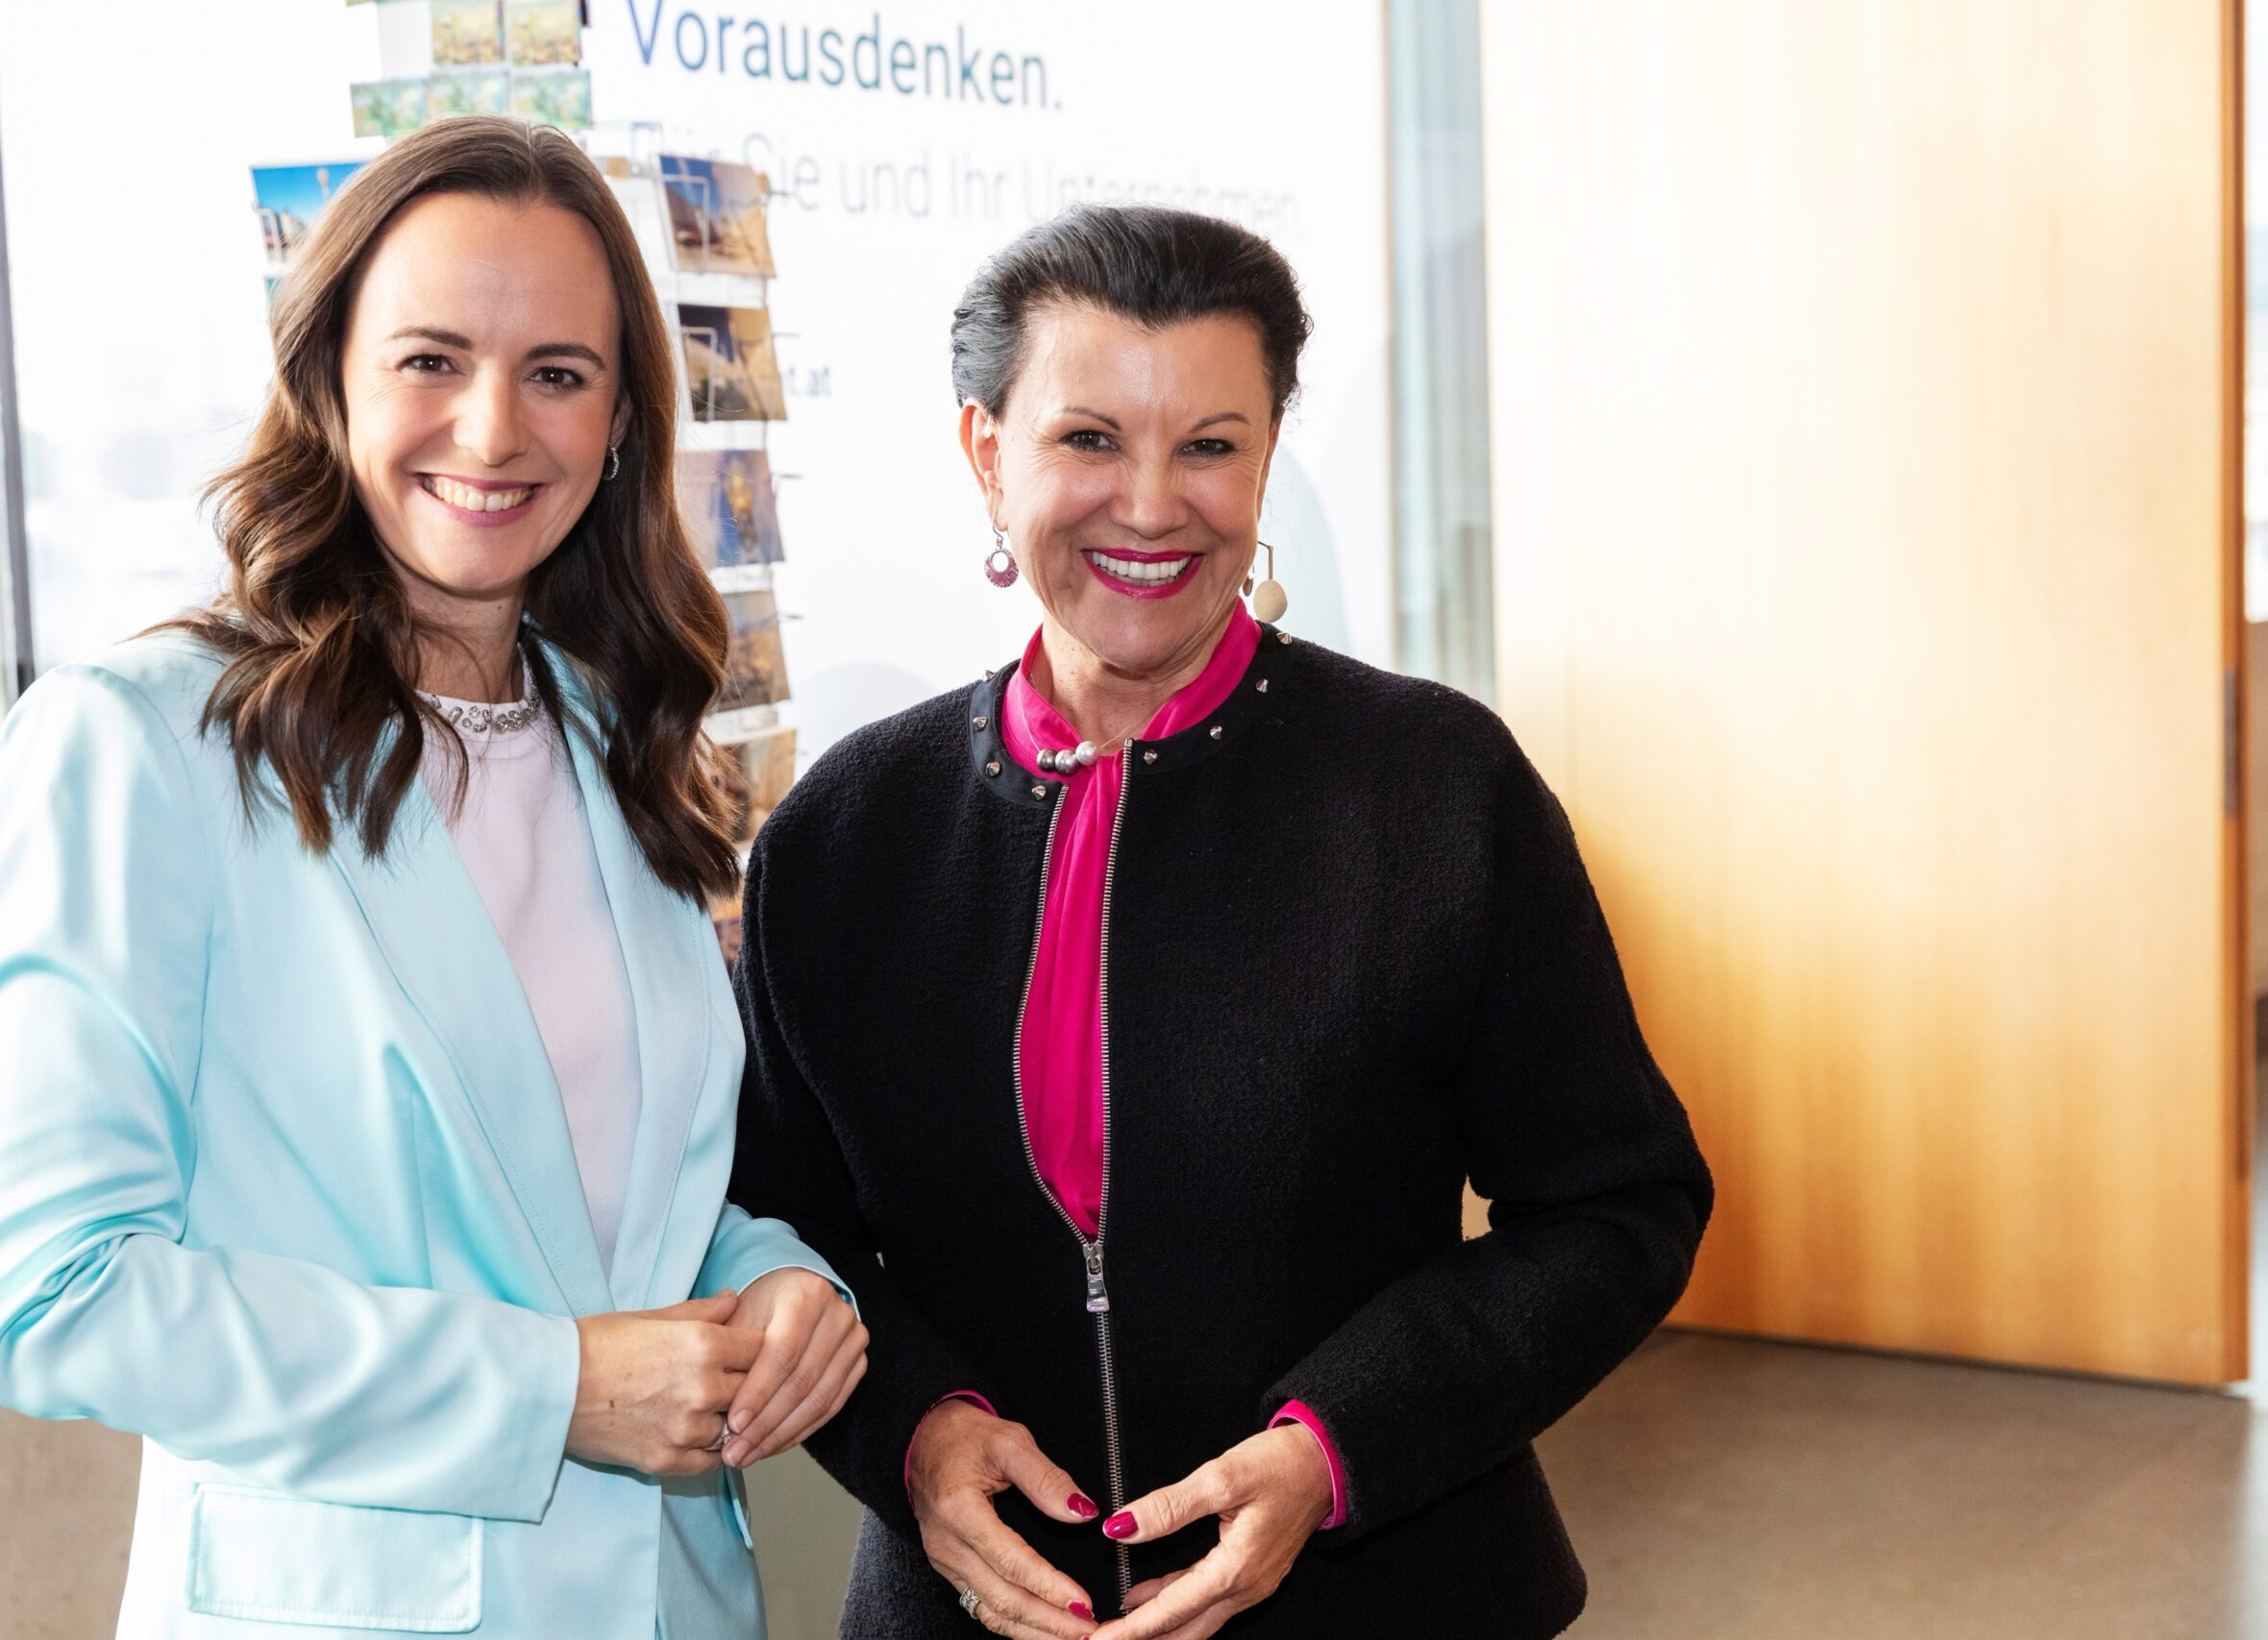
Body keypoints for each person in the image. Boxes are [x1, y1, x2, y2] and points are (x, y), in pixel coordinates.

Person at [727, 204, 1713, 1639]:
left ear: (1265, 460)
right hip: (974, 1613)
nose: (1149, 505)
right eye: (1088, 439)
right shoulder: (843, 837)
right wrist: (914, 1436)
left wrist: (1336, 1448)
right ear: (987, 454)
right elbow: (778, 1231)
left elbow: (1618, 1207)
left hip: (1392, 1596)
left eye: (1208, 444)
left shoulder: (1436, 789)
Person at [0, 116, 863, 1640]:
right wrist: (554, 1389)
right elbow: (56, 1293)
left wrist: (775, 1280)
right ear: (328, 380)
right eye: (432, 359)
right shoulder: (143, 743)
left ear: (622, 423)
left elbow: (611, 1197)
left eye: (557, 373)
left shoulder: (619, 738)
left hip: (672, 1602)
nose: (493, 431)